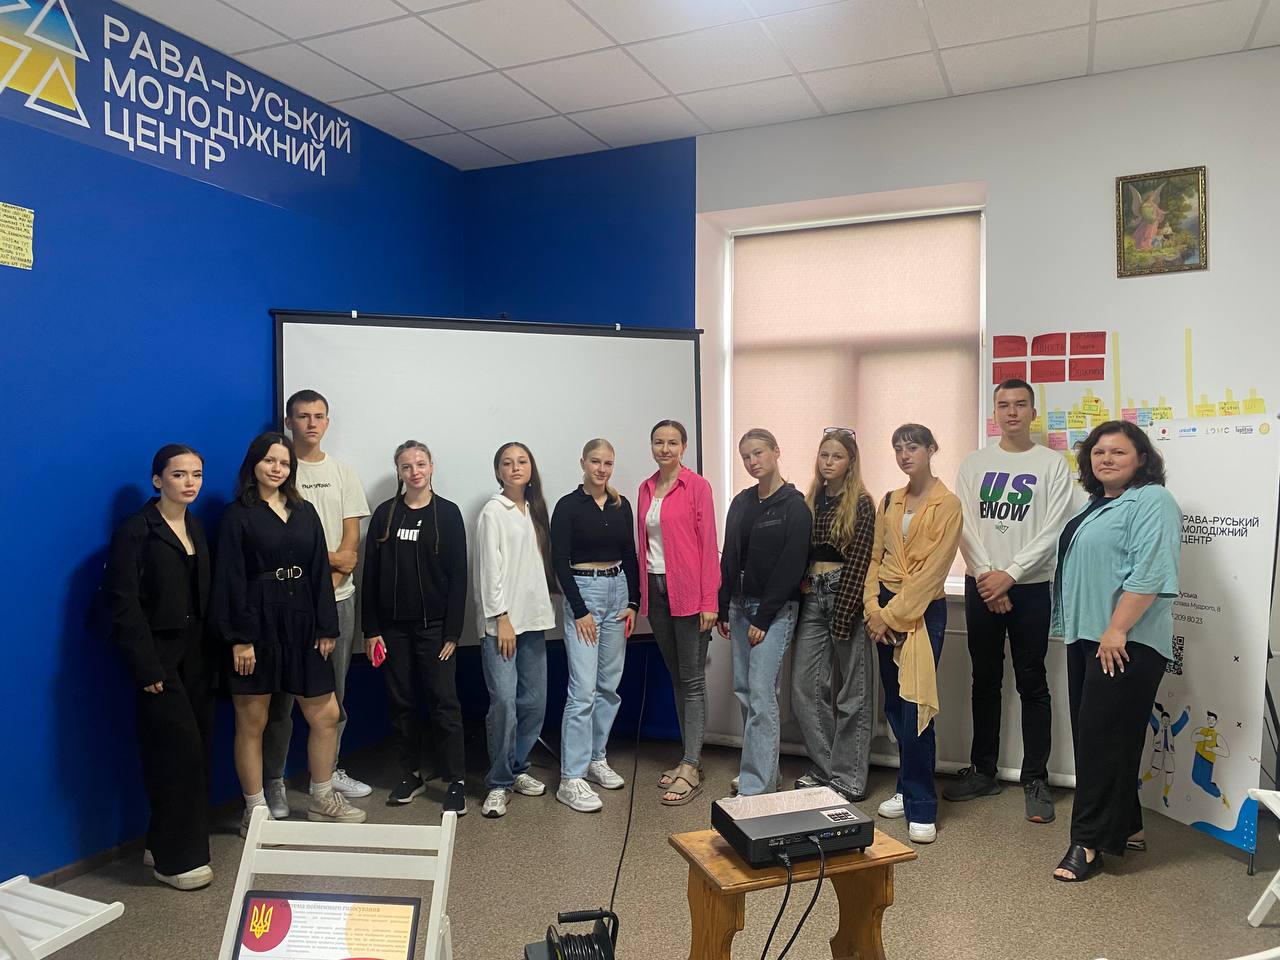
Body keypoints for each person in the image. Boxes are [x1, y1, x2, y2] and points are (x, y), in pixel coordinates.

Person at [212, 431, 367, 834]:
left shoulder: (304, 511)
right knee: (253, 721)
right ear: (254, 464)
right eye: (269, 461)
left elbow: (318, 570)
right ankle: (255, 808)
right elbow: (229, 579)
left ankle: (322, 797)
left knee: (326, 714)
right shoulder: (236, 515)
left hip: (302, 622)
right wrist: (240, 638)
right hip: (256, 624)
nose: (277, 469)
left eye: (284, 463)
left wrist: (326, 626)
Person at [1051, 420, 1180, 882]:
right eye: (1098, 452)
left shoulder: (1152, 500)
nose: (1106, 458)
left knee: (1100, 742)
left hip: (1125, 642)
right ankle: (1128, 826)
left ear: (1141, 458)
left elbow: (1151, 571)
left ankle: (1086, 844)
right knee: (1101, 738)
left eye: (1118, 452)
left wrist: (1117, 629)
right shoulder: (1096, 505)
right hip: (1091, 638)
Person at [946, 379, 1073, 823]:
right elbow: (962, 523)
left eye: (1020, 405)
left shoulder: (1052, 465)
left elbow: (1054, 527)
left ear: (1033, 413)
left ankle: (1035, 778)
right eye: (1004, 405)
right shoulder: (975, 463)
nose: (1012, 412)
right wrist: (988, 577)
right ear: (994, 413)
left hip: (1031, 587)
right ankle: (983, 771)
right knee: (984, 680)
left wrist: (1011, 575)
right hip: (982, 585)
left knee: (1032, 682)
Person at [106, 445, 214, 890]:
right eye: (179, 474)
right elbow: (123, 603)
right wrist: (146, 666)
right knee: (177, 755)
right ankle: (177, 861)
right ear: (158, 480)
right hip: (159, 657)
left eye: (197, 474)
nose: (190, 482)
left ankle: (159, 843)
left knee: (197, 749)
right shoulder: (136, 530)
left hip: (197, 656)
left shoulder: (195, 526)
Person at [266, 389, 371, 818]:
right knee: (280, 700)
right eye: (303, 416)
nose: (312, 423)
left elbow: (351, 540)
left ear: (327, 422)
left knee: (334, 695)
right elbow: (281, 544)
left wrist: (331, 577)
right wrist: (323, 561)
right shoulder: (279, 471)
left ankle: (326, 778)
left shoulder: (342, 472)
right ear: (289, 422)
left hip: (338, 601)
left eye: (319, 416)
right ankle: (274, 781)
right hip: (287, 604)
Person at [864, 424, 962, 845]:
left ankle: (922, 803)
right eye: (898, 448)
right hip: (884, 604)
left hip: (920, 611)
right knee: (894, 704)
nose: (905, 455)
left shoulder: (948, 504)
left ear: (931, 449)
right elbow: (875, 557)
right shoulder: (890, 499)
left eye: (913, 447)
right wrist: (873, 609)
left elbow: (933, 573)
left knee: (916, 704)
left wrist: (890, 616)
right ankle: (906, 787)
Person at [362, 441, 468, 815]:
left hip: (435, 629)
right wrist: (371, 629)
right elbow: (370, 574)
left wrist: (452, 632)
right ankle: (410, 775)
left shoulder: (448, 513)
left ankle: (456, 781)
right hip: (393, 631)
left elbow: (459, 576)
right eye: (407, 466)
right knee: (402, 703)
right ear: (399, 471)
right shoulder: (385, 515)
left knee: (444, 703)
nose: (415, 471)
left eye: (421, 464)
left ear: (431, 466)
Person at [718, 428, 811, 797]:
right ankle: (763, 771)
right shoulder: (741, 502)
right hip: (739, 606)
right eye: (746, 456)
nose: (752, 461)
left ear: (776, 451)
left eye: (758, 453)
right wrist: (724, 605)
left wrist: (764, 617)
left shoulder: (794, 506)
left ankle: (756, 788)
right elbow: (729, 556)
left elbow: (792, 566)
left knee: (761, 693)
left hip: (772, 611)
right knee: (745, 691)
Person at [551, 439, 640, 812]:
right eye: (595, 462)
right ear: (582, 463)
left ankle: (595, 759)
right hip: (584, 593)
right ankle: (570, 778)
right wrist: (579, 610)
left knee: (608, 686)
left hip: (617, 593)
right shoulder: (567, 506)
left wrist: (633, 602)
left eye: (608, 463)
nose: (601, 469)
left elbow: (630, 555)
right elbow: (559, 560)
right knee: (582, 690)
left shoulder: (621, 505)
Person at [790, 427, 877, 801]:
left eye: (837, 456)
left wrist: (846, 611)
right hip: (812, 592)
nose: (828, 462)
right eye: (824, 455)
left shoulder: (862, 503)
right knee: (804, 687)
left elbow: (861, 560)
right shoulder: (810, 500)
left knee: (853, 692)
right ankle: (828, 768)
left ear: (850, 462)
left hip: (846, 591)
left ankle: (850, 778)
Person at [637, 420, 720, 806]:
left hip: (688, 592)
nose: (665, 448)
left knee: (693, 680)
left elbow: (708, 545)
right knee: (677, 679)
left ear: (683, 447)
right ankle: (689, 758)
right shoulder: (645, 488)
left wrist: (709, 601)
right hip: (655, 591)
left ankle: (691, 764)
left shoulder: (697, 486)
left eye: (672, 442)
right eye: (659, 442)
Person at [476, 442, 557, 819]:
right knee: (505, 703)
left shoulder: (535, 511)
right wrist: (501, 617)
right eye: (507, 463)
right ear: (498, 471)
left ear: (531, 467)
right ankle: (498, 782)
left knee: (533, 702)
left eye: (522, 461)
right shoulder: (494, 511)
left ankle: (518, 766)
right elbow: (489, 569)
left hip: (534, 620)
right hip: (502, 626)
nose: (515, 467)